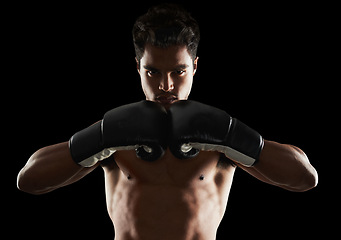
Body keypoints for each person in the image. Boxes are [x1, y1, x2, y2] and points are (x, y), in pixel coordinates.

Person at [17, 4, 318, 240]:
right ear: (137, 67)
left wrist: (230, 134)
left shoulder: (217, 136)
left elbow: (305, 177)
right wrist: (100, 137)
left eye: (178, 71)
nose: (166, 85)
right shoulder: (116, 133)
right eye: (152, 72)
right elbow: (29, 179)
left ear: (195, 66)